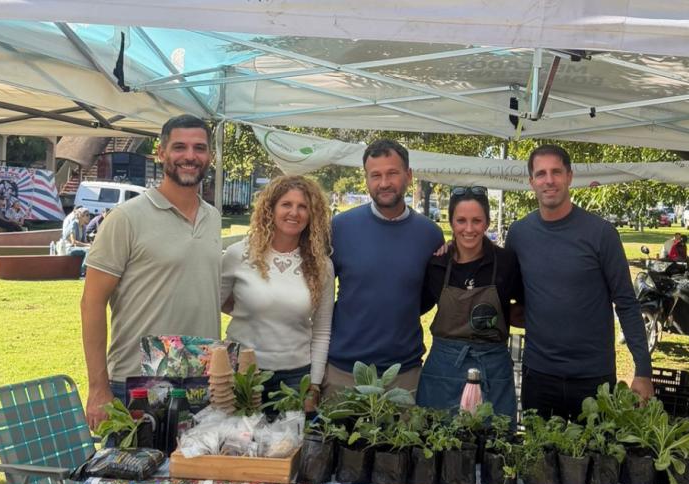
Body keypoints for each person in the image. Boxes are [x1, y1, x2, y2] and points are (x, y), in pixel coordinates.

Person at [81, 114, 222, 430]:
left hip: (200, 381)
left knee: (196, 464)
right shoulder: (125, 219)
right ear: (161, 152)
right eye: (179, 147)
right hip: (138, 384)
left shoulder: (212, 218)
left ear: (210, 156)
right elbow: (91, 303)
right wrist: (98, 387)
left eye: (199, 148)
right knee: (135, 463)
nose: (190, 156)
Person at [505, 144, 653, 421]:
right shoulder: (519, 234)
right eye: (541, 174)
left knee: (595, 450)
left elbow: (626, 303)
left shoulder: (601, 234)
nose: (549, 180)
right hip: (539, 377)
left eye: (556, 172)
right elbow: (512, 296)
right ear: (531, 182)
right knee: (539, 449)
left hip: (593, 379)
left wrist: (643, 371)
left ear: (569, 177)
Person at [326, 139, 444, 397]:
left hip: (404, 374)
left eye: (392, 173)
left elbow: (428, 297)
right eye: (376, 175)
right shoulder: (339, 228)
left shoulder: (430, 235)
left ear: (408, 175)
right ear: (366, 178)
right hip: (342, 372)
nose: (384, 183)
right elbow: (319, 293)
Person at [221, 175, 333, 411]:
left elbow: (322, 331)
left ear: (312, 214)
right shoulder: (238, 254)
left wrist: (313, 386)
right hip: (242, 375)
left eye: (303, 206)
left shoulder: (321, 266)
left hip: (295, 379)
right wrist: (251, 311)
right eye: (286, 204)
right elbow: (215, 304)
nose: (294, 212)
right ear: (270, 209)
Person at [416, 186, 523, 418]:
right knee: (437, 434)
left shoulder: (506, 262)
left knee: (495, 435)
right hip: (444, 369)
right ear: (451, 223)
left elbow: (524, 307)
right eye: (461, 221)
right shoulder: (437, 264)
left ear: (487, 223)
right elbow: (417, 307)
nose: (469, 229)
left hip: (492, 368)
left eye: (477, 221)